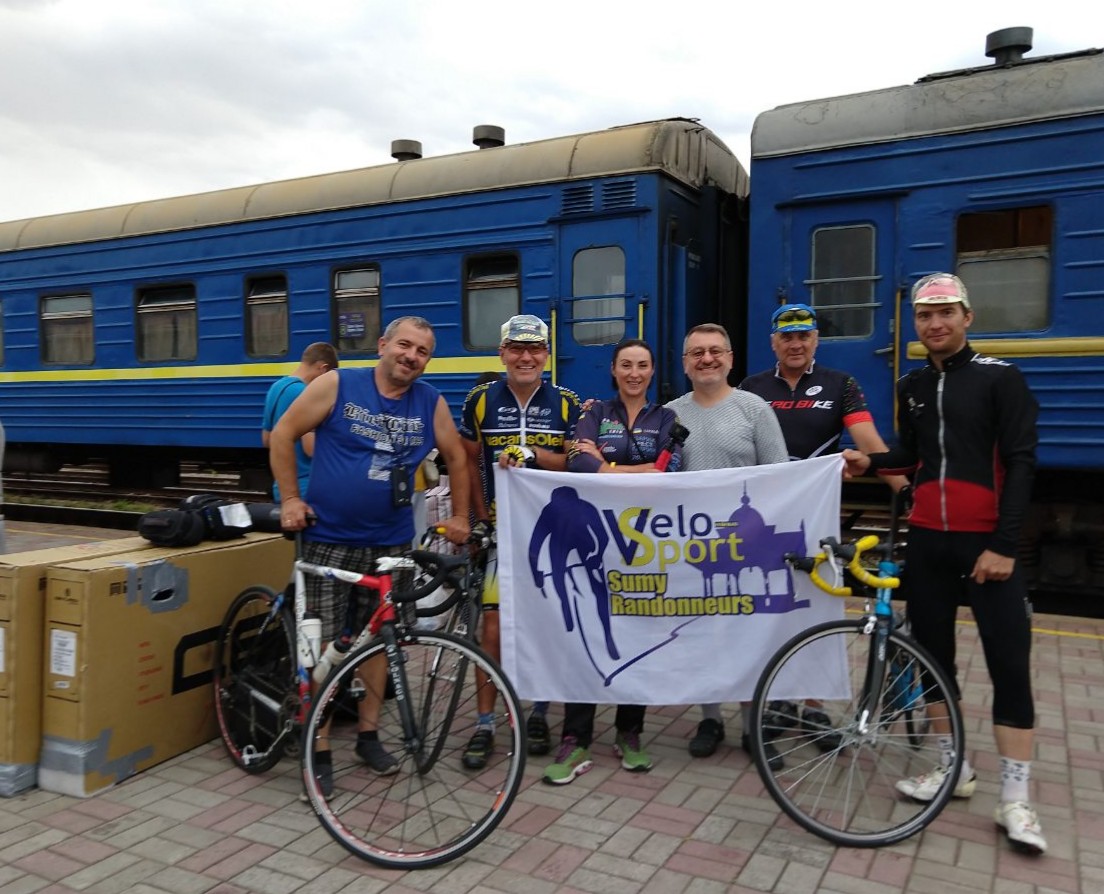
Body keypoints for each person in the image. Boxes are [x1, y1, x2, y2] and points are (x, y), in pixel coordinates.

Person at [842, 273, 1047, 855]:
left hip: (987, 545)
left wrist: (1005, 544)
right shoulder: (910, 384)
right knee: (934, 662)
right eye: (925, 316)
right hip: (928, 541)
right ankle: (953, 768)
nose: (935, 324)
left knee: (1010, 664)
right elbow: (914, 455)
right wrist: (871, 461)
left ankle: (1016, 799)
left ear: (967, 317)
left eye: (946, 313)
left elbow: (1022, 462)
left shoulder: (1001, 379)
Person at [271, 316, 470, 795]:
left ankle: (368, 734)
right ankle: (316, 745)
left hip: (392, 544)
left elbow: (458, 457)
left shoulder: (430, 402)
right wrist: (291, 499)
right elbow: (282, 434)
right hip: (330, 537)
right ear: (383, 345)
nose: (411, 356)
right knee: (321, 644)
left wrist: (462, 515)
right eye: (404, 345)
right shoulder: (338, 384)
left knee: (383, 640)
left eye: (422, 351)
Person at [740, 303, 909, 752]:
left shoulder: (841, 384)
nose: (795, 344)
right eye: (787, 337)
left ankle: (813, 704)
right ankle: (776, 701)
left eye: (804, 336)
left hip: (816, 512)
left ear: (816, 340)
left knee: (817, 606)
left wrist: (907, 490)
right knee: (766, 605)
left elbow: (870, 443)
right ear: (773, 342)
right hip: (766, 515)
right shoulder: (752, 387)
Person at [539, 338, 684, 784]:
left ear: (652, 371)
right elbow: (577, 463)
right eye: (626, 365)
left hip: (645, 545)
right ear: (614, 370)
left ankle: (629, 733)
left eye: (642, 365)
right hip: (593, 544)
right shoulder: (594, 412)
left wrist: (607, 468)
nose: (634, 373)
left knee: (637, 634)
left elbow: (668, 472)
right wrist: (626, 472)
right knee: (585, 634)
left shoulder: (667, 418)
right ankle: (576, 738)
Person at [458, 314, 581, 769]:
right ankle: (485, 723)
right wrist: (476, 519)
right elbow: (467, 463)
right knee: (491, 628)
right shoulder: (480, 400)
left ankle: (539, 713)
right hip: (501, 535)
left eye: (535, 349)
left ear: (547, 355)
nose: (525, 357)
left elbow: (576, 463)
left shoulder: (567, 402)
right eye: (516, 349)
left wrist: (534, 454)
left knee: (546, 625)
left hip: (551, 535)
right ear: (502, 353)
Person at [665, 323, 790, 768]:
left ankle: (753, 725)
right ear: (685, 363)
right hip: (695, 550)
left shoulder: (754, 409)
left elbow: (779, 475)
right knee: (704, 636)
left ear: (730, 359)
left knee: (749, 639)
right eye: (697, 353)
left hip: (746, 547)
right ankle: (710, 719)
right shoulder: (670, 414)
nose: (707, 359)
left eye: (715, 351)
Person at [261, 342, 339, 501]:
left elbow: (267, 440)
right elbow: (310, 448)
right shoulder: (305, 394)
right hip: (308, 487)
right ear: (323, 369)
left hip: (283, 488)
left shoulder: (276, 387)